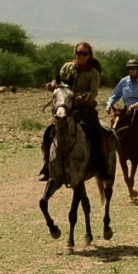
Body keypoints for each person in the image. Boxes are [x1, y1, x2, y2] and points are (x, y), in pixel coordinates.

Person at [43, 40, 108, 174]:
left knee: (98, 134)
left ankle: (101, 166)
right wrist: (52, 85)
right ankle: (47, 166)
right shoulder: (67, 67)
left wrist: (85, 97)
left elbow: (94, 92)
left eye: (84, 53)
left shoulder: (93, 73)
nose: (81, 56)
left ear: (89, 55)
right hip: (66, 109)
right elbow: (59, 81)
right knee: (48, 133)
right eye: (79, 53)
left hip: (85, 110)